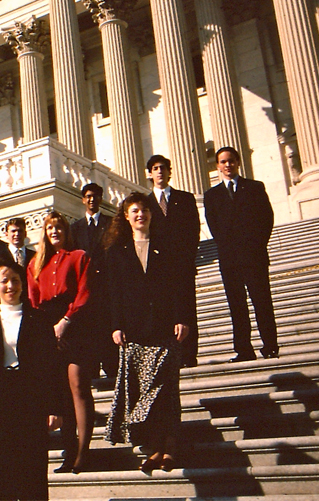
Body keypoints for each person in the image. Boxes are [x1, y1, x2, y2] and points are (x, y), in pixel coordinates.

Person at [103, 193, 190, 472]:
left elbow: (179, 285)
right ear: (126, 216)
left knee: (166, 391)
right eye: (135, 210)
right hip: (136, 331)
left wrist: (182, 317)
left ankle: (170, 447)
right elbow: (113, 293)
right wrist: (116, 325)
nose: (141, 214)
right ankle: (155, 447)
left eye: (145, 210)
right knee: (147, 393)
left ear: (152, 214)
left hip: (165, 327)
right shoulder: (117, 251)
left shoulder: (166, 245)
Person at [0, 259, 61, 500]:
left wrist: (55, 406)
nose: (10, 285)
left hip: (30, 401)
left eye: (15, 280)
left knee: (32, 472)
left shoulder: (39, 320)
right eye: (4, 281)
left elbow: (52, 366)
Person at [27, 211, 95, 474]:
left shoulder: (78, 257)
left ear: (66, 231)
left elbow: (85, 292)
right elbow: (33, 301)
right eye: (50, 228)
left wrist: (65, 322)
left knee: (77, 384)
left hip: (74, 323)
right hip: (46, 325)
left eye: (59, 227)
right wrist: (45, 330)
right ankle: (68, 450)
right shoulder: (35, 264)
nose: (54, 231)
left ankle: (83, 451)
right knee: (59, 392)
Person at [204, 146, 278, 361]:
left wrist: (257, 245)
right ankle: (244, 349)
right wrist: (229, 248)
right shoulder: (212, 195)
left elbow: (267, 218)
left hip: (254, 255)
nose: (228, 165)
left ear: (238, 162)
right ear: (217, 166)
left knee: (262, 302)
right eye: (223, 162)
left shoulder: (254, 187)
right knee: (237, 305)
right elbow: (214, 226)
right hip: (229, 259)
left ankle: (270, 346)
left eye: (231, 161)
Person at [145, 155, 201, 367]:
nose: (159, 172)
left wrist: (187, 259)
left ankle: (189, 355)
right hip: (158, 270)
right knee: (164, 311)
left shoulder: (185, 199)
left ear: (170, 171)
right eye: (155, 168)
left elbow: (193, 231)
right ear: (149, 173)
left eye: (163, 168)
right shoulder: (146, 203)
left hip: (182, 266)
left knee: (187, 310)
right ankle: (172, 356)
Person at [72, 183, 118, 379]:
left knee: (107, 329)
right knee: (89, 331)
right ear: (83, 200)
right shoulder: (75, 228)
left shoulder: (111, 224)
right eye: (88, 196)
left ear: (101, 198)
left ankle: (112, 369)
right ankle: (92, 371)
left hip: (106, 287)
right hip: (85, 289)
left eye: (96, 196)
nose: (92, 200)